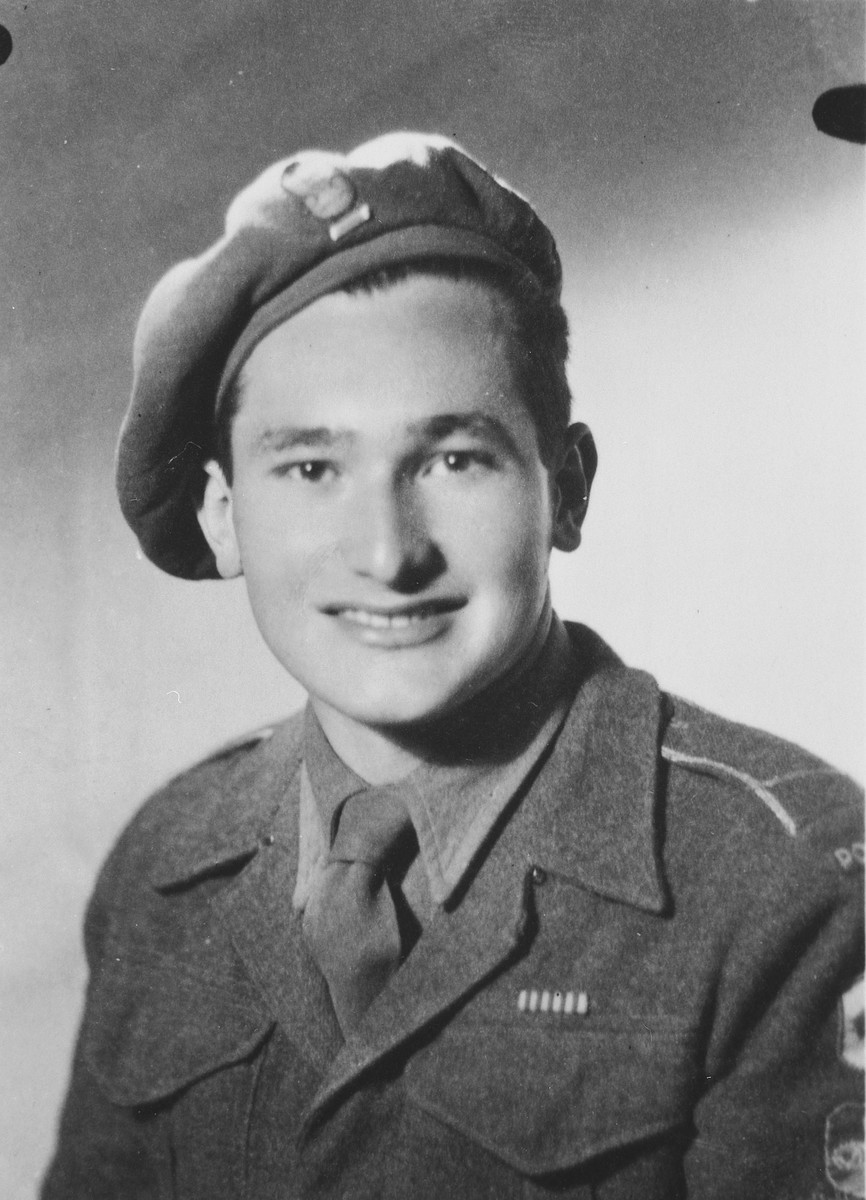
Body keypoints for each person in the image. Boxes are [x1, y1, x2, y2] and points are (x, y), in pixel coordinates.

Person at [42, 132, 863, 1200]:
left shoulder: (787, 887)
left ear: (564, 489)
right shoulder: (167, 859)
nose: (387, 553)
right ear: (222, 511)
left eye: (452, 459)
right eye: (309, 467)